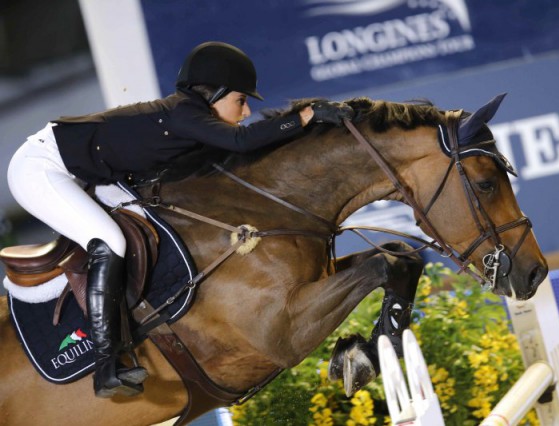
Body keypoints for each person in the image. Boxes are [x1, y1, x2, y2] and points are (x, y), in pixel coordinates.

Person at [6, 41, 353, 398]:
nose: (246, 111)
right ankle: (107, 363)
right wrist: (305, 117)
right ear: (215, 95)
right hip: (40, 169)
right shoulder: (186, 114)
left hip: (85, 169)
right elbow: (243, 141)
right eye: (240, 101)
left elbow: (243, 146)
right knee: (108, 240)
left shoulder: (191, 117)